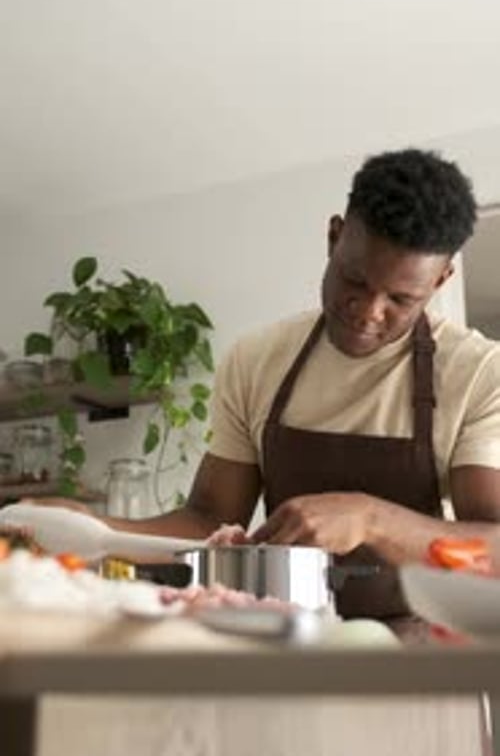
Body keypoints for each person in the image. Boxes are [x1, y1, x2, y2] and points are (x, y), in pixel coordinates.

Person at [44, 148, 500, 617]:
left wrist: (371, 519)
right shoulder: (258, 360)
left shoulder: (478, 372)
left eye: (401, 299)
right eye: (354, 281)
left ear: (441, 280)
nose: (368, 311)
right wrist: (91, 527)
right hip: (283, 639)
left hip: (420, 652)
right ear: (334, 237)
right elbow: (208, 520)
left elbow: (494, 550)